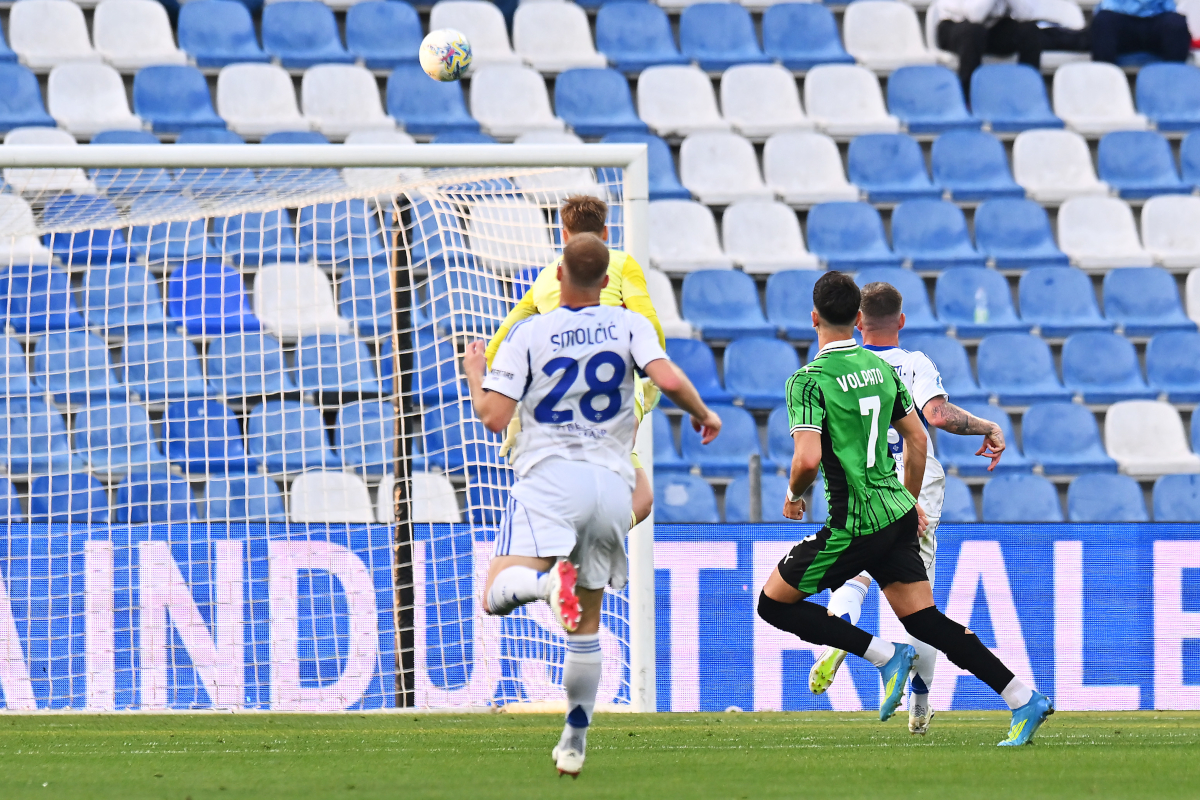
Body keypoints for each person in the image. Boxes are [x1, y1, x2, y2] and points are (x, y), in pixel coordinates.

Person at [755, 271, 1053, 747]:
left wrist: (794, 494)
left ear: (814, 318)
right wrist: (908, 503)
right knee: (926, 621)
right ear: (856, 319)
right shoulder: (887, 372)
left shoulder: (808, 381)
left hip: (854, 523)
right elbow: (918, 439)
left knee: (773, 604)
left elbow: (807, 459)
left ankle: (881, 654)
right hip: (897, 509)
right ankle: (1023, 698)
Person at [464, 233, 722, 776]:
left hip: (548, 477)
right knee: (587, 627)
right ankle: (575, 742)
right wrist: (702, 413)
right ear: (608, 282)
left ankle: (541, 586)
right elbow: (667, 376)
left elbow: (491, 418)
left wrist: (473, 372)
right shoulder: (630, 325)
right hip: (611, 483)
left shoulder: (530, 332)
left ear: (558, 278)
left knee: (494, 593)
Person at [807, 282, 1008, 736]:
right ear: (901, 320)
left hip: (863, 479)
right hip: (914, 478)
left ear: (857, 321)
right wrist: (986, 425)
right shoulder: (914, 363)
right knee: (920, 603)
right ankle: (918, 708)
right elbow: (936, 417)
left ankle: (839, 636)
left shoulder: (848, 366)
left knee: (854, 573)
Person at [486, 194, 664, 527]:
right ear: (606, 233)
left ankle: (579, 540)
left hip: (554, 391)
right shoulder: (621, 262)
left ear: (563, 235)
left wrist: (507, 393)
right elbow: (648, 320)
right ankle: (583, 541)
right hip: (611, 382)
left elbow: (501, 338)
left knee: (641, 497)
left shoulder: (545, 276)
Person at [932, 0, 1090, 100]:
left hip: (991, 27)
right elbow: (975, 15)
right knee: (974, 32)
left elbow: (1026, 14)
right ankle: (966, 97)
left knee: (1029, 30)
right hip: (953, 27)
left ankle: (1027, 94)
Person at [1091, 0, 1191, 64]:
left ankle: (1175, 85)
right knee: (1103, 22)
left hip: (1158, 18)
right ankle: (1103, 83)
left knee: (1176, 24)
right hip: (1119, 18)